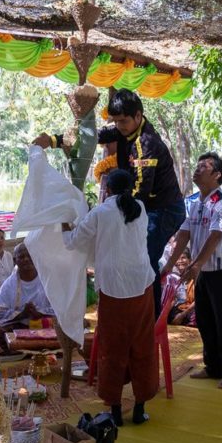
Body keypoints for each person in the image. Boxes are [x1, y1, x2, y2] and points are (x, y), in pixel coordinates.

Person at [33, 88, 185, 316]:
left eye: (123, 121)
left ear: (138, 115)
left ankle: (148, 317)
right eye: (116, 121)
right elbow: (89, 138)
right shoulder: (122, 131)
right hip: (140, 205)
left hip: (163, 210)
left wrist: (107, 212)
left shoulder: (147, 144)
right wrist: (53, 140)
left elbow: (140, 193)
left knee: (145, 257)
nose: (119, 126)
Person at [62, 169, 158, 426]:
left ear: (107, 188)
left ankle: (115, 411)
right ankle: (139, 408)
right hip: (142, 285)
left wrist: (63, 226)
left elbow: (73, 242)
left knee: (112, 348)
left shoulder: (101, 212)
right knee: (142, 345)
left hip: (114, 288)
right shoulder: (139, 207)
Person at [161, 152, 222, 390]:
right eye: (197, 165)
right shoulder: (194, 202)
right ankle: (213, 367)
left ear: (217, 175)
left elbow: (216, 236)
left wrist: (195, 264)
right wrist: (168, 265)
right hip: (204, 270)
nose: (197, 169)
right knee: (205, 320)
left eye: (204, 166)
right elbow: (184, 235)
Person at [0, 243, 55, 330]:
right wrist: (22, 314)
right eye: (21, 257)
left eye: (30, 255)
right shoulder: (9, 285)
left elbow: (63, 307)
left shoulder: (48, 279)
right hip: (19, 326)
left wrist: (41, 313)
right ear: (15, 260)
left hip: (47, 325)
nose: (26, 259)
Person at [166, 248, 196, 327]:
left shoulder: (195, 277)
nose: (179, 261)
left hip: (192, 309)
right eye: (177, 259)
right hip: (182, 307)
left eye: (183, 258)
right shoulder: (176, 279)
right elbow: (173, 299)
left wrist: (182, 314)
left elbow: (199, 300)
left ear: (190, 260)